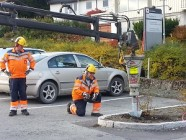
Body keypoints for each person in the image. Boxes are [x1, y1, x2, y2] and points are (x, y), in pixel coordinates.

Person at [0, 36, 36, 116]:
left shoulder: (26, 53)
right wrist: (4, 70)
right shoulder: (9, 53)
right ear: (17, 45)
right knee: (14, 93)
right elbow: (2, 62)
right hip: (13, 77)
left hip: (22, 77)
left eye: (23, 46)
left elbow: (33, 61)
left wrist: (30, 69)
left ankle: (24, 109)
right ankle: (13, 110)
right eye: (21, 46)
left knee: (23, 93)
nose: (22, 47)